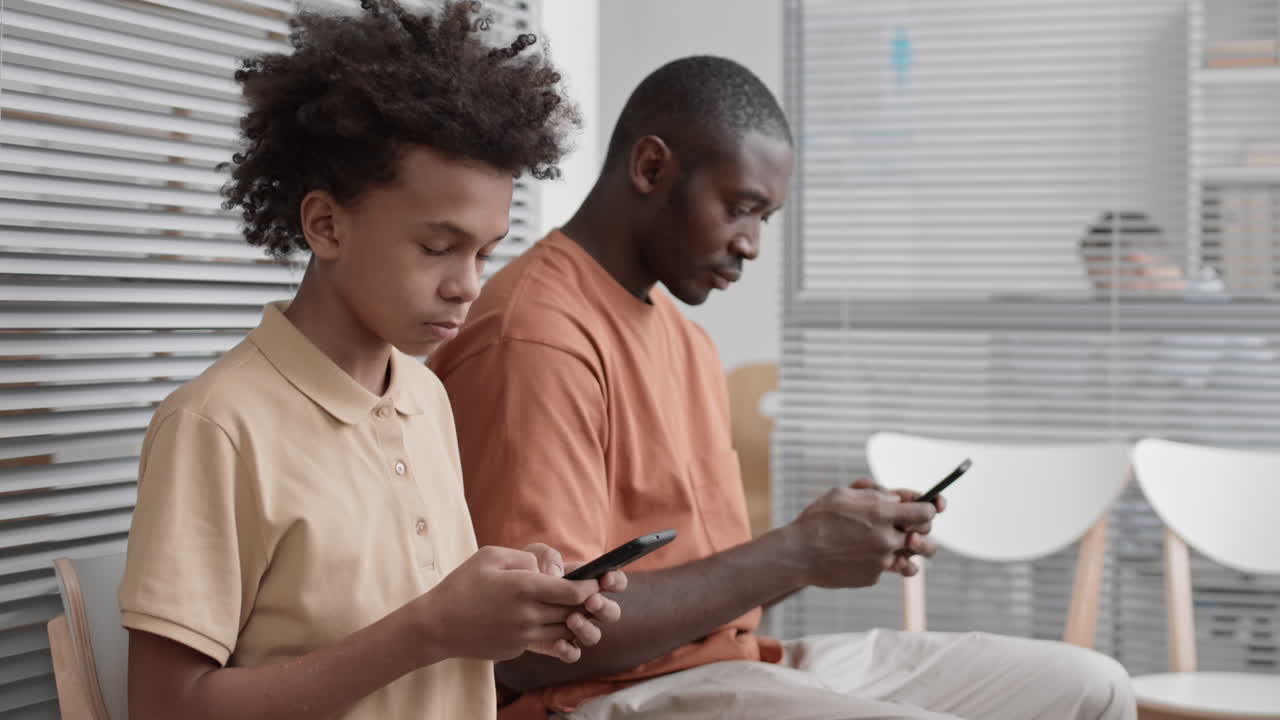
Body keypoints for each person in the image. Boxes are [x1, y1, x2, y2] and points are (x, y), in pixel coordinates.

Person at [429, 55, 1136, 720]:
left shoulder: (684, 339)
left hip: (737, 661)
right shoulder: (536, 336)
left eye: (764, 220)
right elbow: (534, 649)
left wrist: (829, 548)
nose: (752, 244)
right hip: (604, 696)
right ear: (651, 167)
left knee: (1088, 688)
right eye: (740, 207)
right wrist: (795, 551)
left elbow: (702, 585)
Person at [117, 3, 625, 719]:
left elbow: (413, 629)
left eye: (485, 251)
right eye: (437, 247)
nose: (468, 285)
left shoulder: (425, 396)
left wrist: (513, 615)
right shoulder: (216, 426)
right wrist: (432, 629)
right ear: (327, 225)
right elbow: (166, 709)